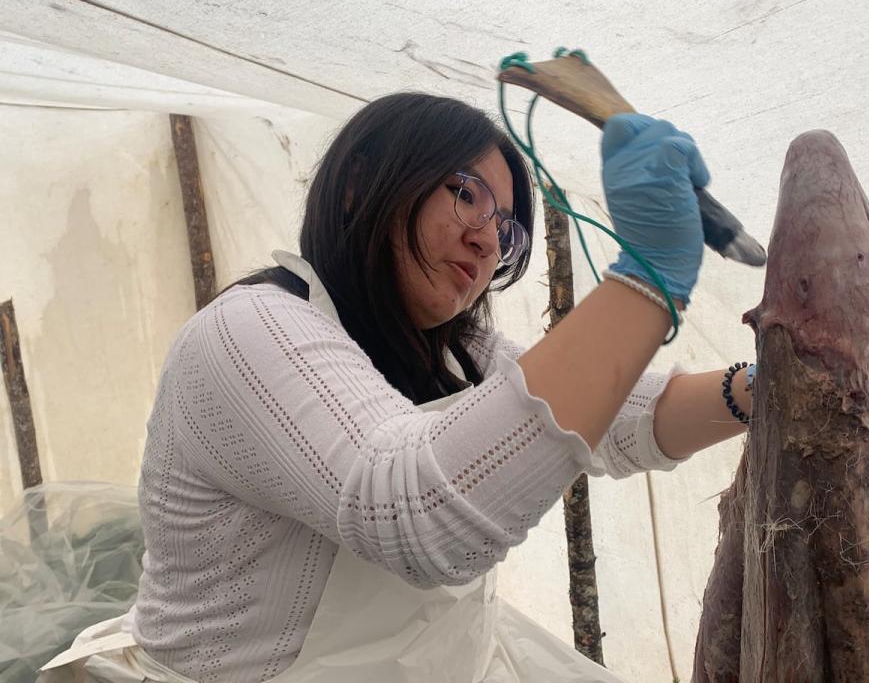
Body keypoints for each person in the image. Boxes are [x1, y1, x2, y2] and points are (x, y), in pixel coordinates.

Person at [39, 93, 754, 682]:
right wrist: (644, 279)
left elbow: (612, 414)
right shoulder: (245, 333)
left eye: (505, 229)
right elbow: (411, 513)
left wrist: (763, 388)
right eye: (465, 194)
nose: (485, 239)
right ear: (360, 183)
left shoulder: (451, 348)